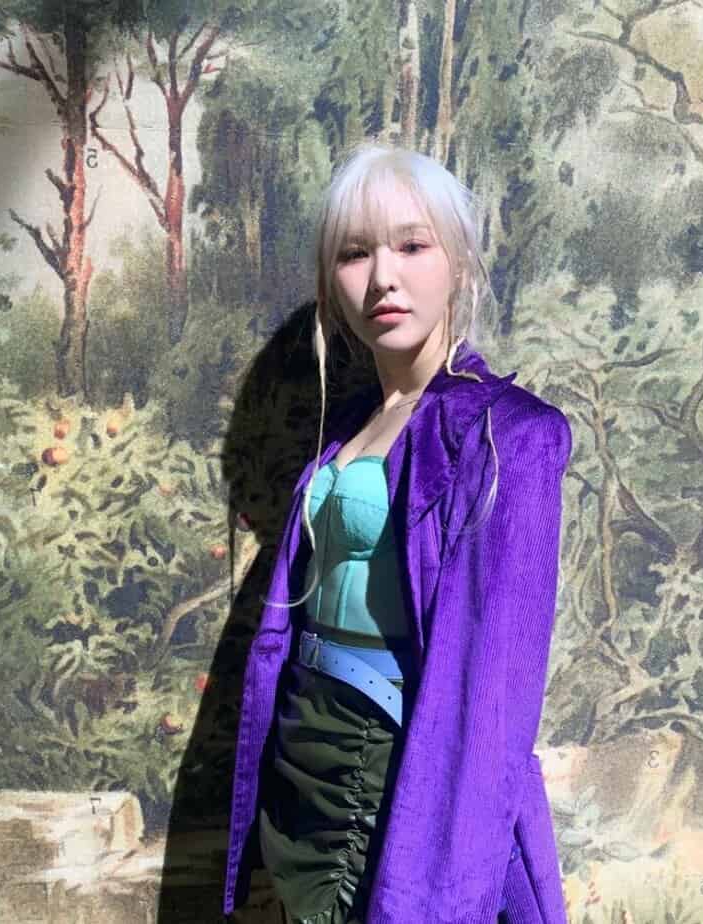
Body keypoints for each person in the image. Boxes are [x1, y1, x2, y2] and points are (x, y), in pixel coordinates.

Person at [224, 142, 572, 923]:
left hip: (384, 766)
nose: (383, 276)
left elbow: (489, 697)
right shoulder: (352, 425)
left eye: (412, 246)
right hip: (305, 754)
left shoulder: (507, 436)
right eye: (355, 254)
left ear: (460, 263)